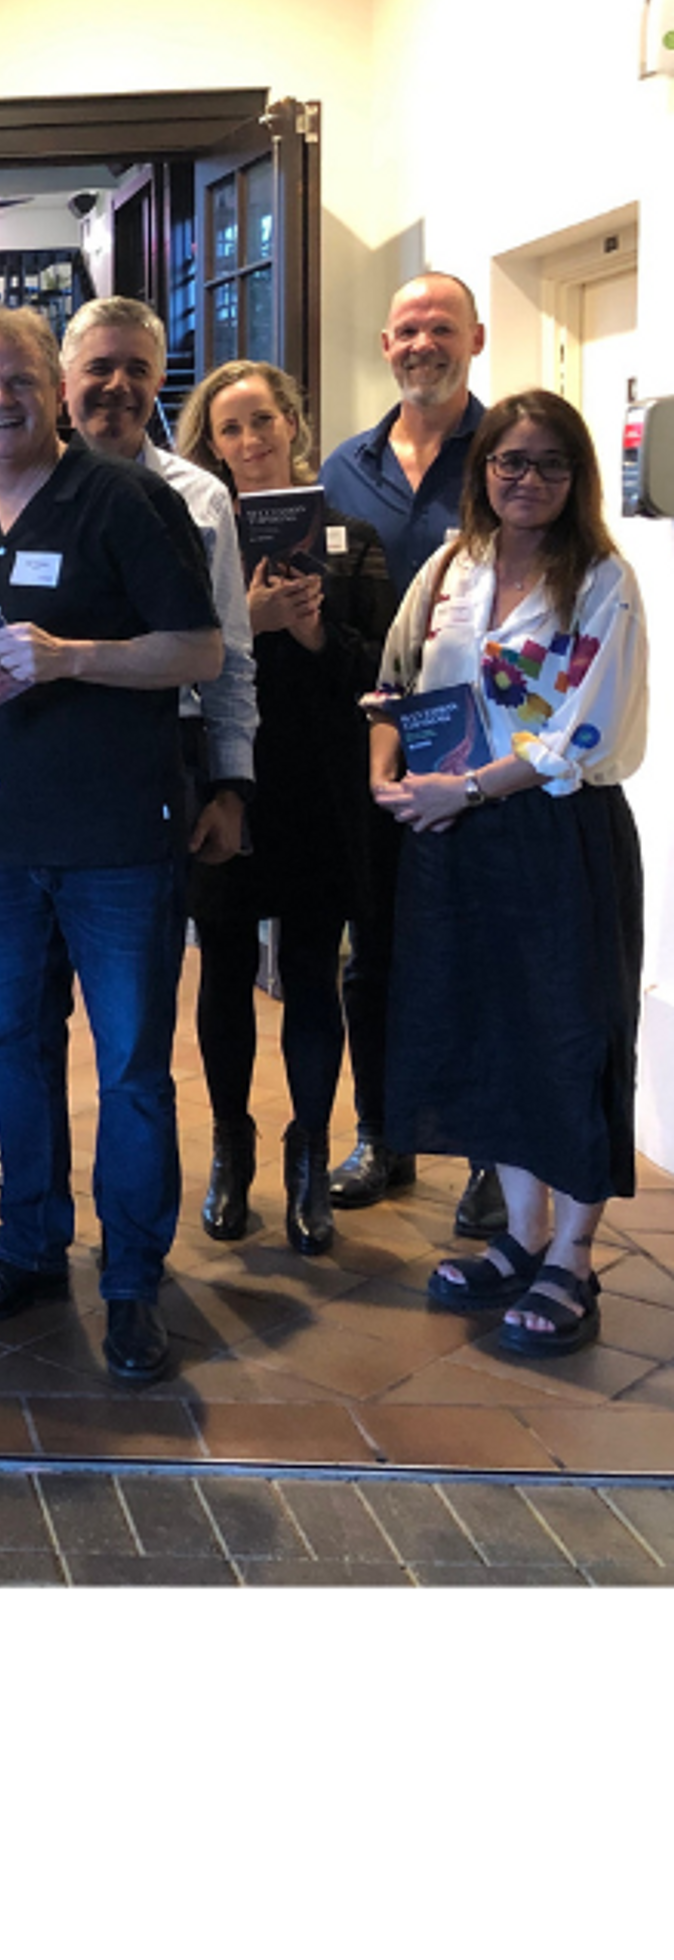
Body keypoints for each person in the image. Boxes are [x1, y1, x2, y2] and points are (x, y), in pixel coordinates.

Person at [0, 307, 222, 1385]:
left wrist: (72, 659)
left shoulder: (126, 497)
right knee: (13, 1053)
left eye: (17, 381)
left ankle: (134, 1284)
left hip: (118, 842)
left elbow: (198, 647)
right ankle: (30, 1244)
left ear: (52, 390)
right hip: (2, 840)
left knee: (134, 1070)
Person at [372, 391, 646, 1357]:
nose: (526, 479)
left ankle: (574, 1255)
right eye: (508, 461)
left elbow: (590, 728)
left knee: (568, 1037)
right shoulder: (454, 564)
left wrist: (470, 790)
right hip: (456, 835)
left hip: (556, 836)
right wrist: (387, 773)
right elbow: (396, 684)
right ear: (482, 468)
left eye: (549, 464)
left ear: (578, 479)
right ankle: (522, 1239)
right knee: (490, 1035)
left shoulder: (604, 578)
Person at [175, 363, 394, 1253]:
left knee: (311, 970)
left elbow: (380, 673)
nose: (249, 441)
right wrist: (248, 623)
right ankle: (234, 1148)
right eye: (228, 429)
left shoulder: (356, 537)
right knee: (224, 967)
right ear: (211, 443)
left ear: (294, 425)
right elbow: (176, 658)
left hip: (319, 784)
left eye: (262, 421)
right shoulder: (191, 537)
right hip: (231, 780)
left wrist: (311, 631)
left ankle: (310, 1152)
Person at [320, 270, 500, 1234]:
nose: (421, 342)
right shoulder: (343, 469)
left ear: (479, 335)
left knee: (477, 949)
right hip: (377, 754)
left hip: (488, 754)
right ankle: (381, 1134)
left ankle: (486, 1152)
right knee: (372, 952)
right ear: (385, 346)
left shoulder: (511, 451)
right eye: (406, 330)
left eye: (440, 326)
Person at [59, 297, 257, 866]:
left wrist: (232, 787)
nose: (118, 384)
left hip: (164, 756)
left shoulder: (200, 498)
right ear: (64, 380)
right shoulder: (22, 492)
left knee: (139, 949)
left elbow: (233, 660)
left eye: (137, 370)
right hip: (50, 750)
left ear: (159, 381)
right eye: (100, 367)